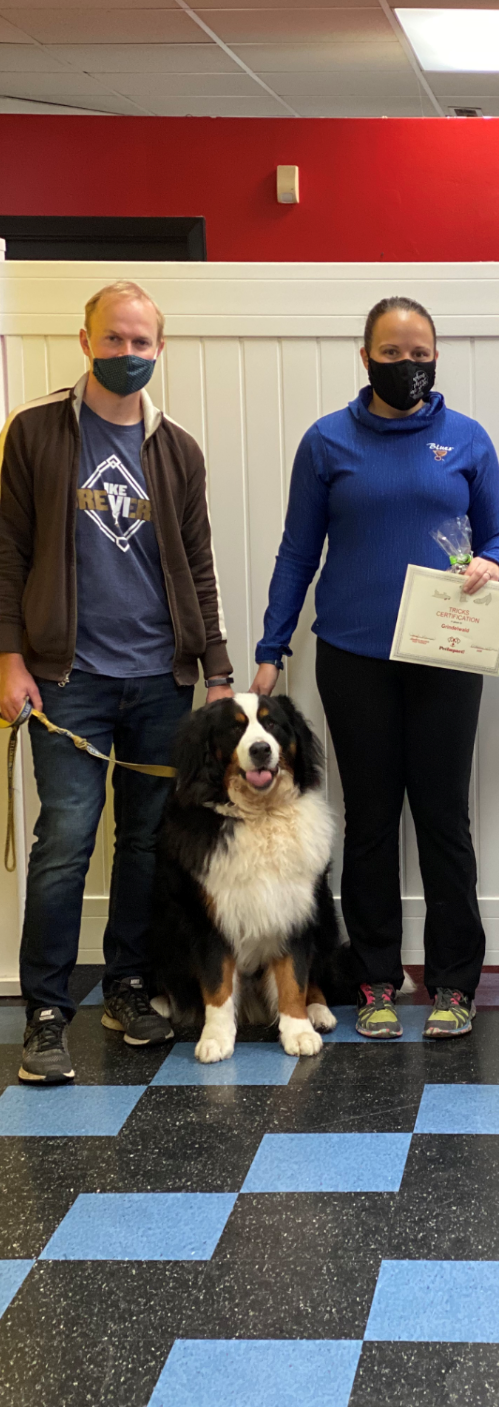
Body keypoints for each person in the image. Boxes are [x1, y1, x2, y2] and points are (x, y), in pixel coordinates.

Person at [251, 296, 499, 1040]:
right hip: (352, 655)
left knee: (442, 818)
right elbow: (298, 552)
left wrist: (491, 566)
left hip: (445, 653)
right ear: (364, 357)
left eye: (420, 352)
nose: (408, 366)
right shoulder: (326, 442)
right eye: (392, 353)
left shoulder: (466, 440)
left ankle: (454, 983)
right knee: (368, 821)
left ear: (437, 354)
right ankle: (373, 977)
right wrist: (272, 647)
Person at [0, 280, 234, 1084]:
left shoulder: (179, 450)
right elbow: (9, 556)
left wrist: (218, 675)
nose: (128, 354)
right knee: (65, 841)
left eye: (142, 343)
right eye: (114, 339)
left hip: (161, 679)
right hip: (69, 677)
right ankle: (45, 1011)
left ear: (159, 350)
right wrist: (9, 659)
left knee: (143, 842)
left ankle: (127, 986)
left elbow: (198, 566)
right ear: (84, 340)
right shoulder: (34, 434)